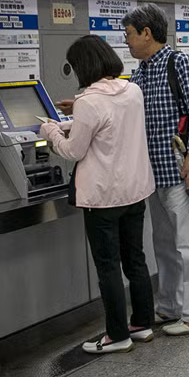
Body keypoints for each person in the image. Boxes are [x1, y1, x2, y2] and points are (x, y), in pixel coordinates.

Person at [42, 36, 155, 354]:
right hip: (135, 193)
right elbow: (111, 124)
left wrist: (51, 131)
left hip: (102, 199)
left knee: (108, 266)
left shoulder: (90, 103)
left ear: (82, 66)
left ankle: (117, 335)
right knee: (135, 260)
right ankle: (143, 324)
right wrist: (77, 109)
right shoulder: (133, 91)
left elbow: (73, 150)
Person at [122, 3, 189, 336]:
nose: (127, 42)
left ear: (147, 33)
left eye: (130, 35)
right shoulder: (141, 72)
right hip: (153, 174)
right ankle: (170, 306)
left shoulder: (180, 63)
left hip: (180, 172)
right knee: (164, 243)